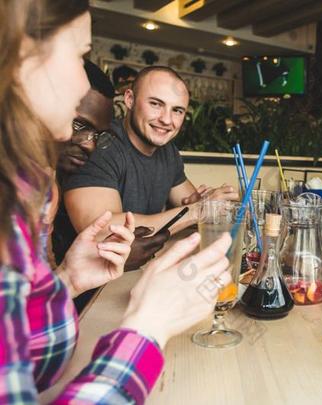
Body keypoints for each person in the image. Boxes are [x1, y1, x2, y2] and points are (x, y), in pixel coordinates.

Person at [0, 1, 233, 402]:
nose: (85, 84)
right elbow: (124, 222)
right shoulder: (92, 155)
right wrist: (149, 327)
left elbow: (18, 346)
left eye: (177, 110)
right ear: (21, 54)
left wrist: (67, 280)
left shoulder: (20, 185)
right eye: (80, 56)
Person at [57, 65, 237, 263]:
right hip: (87, 284)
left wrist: (206, 204)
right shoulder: (98, 144)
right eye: (156, 104)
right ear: (130, 99)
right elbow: (100, 231)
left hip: (138, 271)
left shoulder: (168, 152)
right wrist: (198, 210)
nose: (166, 120)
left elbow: (190, 205)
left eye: (177, 110)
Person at [52, 60, 170, 274]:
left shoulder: (45, 185)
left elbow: (37, 286)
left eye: (99, 135)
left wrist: (76, 273)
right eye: (79, 125)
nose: (90, 146)